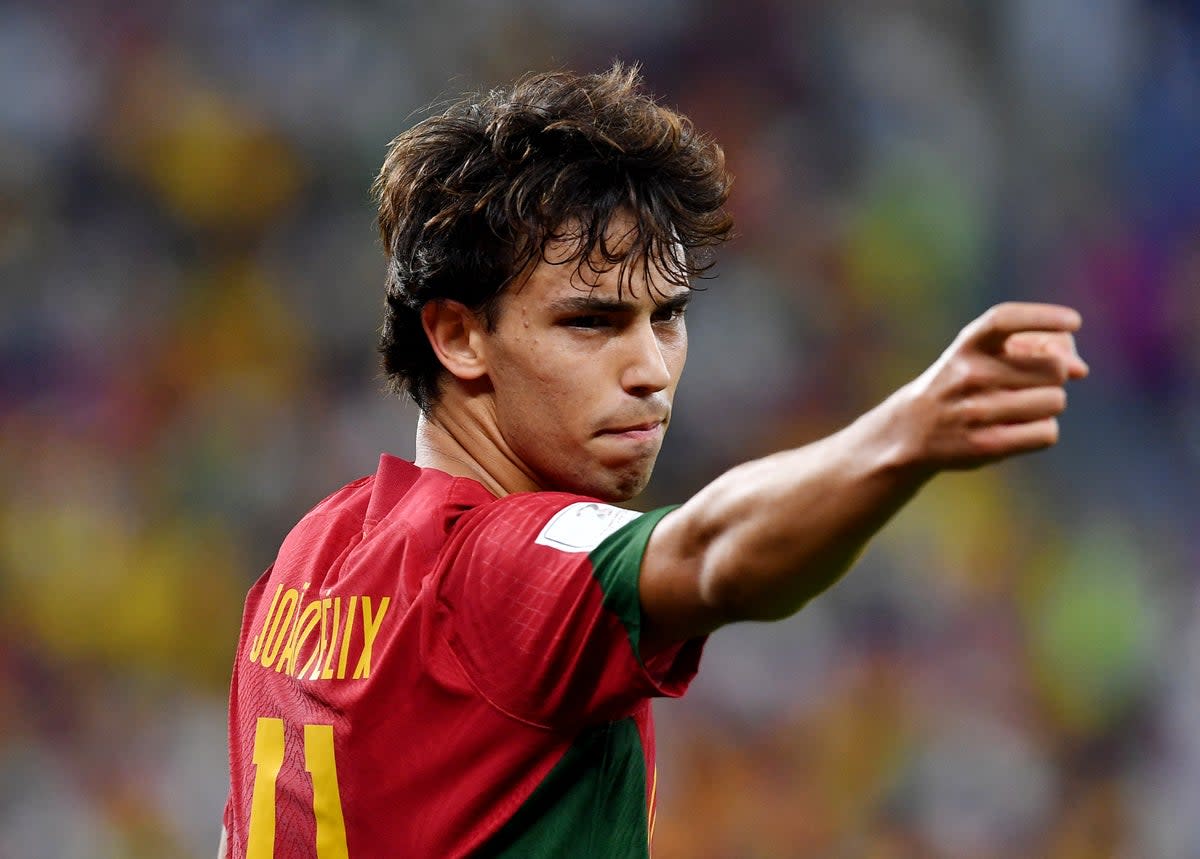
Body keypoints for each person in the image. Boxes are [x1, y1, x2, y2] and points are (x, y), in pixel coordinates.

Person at [219, 63, 1087, 858]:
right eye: (590, 322)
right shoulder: (498, 569)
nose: (650, 371)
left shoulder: (304, 561)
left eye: (666, 317)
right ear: (456, 334)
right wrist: (908, 432)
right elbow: (711, 555)